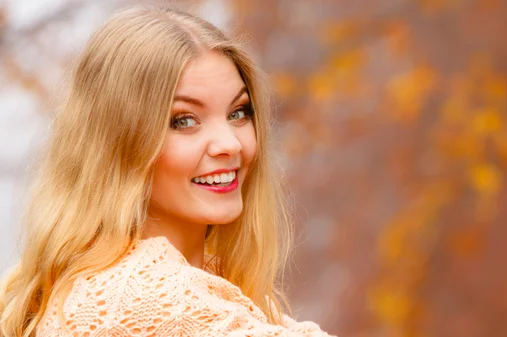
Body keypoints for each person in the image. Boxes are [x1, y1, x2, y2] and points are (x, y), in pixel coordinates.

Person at [0, 6, 336, 337]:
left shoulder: (202, 289)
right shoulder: (142, 301)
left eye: (238, 112)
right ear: (118, 143)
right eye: (184, 120)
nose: (230, 144)